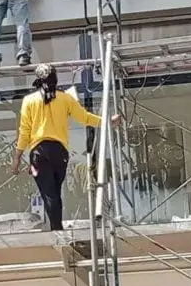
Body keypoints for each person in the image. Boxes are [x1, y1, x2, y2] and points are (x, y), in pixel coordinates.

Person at [11, 64, 120, 231]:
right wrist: (107, 121)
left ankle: (57, 230)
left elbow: (24, 131)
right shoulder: (65, 99)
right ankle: (57, 228)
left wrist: (17, 158)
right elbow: (85, 118)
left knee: (49, 194)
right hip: (60, 154)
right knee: (55, 193)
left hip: (38, 154)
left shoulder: (29, 101)